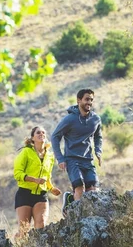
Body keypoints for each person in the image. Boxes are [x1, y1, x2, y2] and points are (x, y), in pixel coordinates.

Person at [51, 88, 103, 216]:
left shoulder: (95, 119)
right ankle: (78, 220)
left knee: (93, 190)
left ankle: (72, 199)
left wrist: (98, 151)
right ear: (79, 100)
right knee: (79, 186)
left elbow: (98, 136)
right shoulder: (69, 119)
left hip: (88, 160)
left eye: (91, 100)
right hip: (72, 159)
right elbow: (55, 136)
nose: (89, 102)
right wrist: (61, 159)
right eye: (86, 99)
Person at [13, 126, 61, 238]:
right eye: (38, 132)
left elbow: (47, 176)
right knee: (24, 230)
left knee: (41, 225)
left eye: (44, 132)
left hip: (41, 195)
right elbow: (17, 174)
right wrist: (34, 180)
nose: (41, 134)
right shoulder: (26, 152)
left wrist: (51, 188)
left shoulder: (50, 156)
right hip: (24, 193)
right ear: (32, 138)